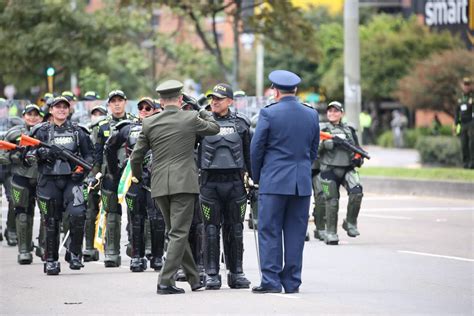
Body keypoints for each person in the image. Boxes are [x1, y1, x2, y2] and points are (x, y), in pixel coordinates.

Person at [130, 79, 219, 295]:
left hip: (159, 184)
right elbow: (214, 128)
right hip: (184, 184)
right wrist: (201, 110)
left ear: (160, 101)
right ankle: (165, 280)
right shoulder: (190, 118)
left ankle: (194, 279)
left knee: (174, 231)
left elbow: (136, 156)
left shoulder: (149, 122)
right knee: (179, 232)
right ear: (180, 99)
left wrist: (137, 177)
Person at [250, 70, 319, 294]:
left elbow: (256, 149)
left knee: (269, 230)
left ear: (275, 91)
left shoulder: (269, 113)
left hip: (274, 181)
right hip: (301, 183)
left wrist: (257, 176)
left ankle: (270, 282)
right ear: (296, 90)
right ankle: (291, 282)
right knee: (295, 233)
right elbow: (313, 149)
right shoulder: (311, 114)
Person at [28, 96, 94, 275]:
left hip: (73, 181)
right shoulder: (40, 131)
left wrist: (81, 169)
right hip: (48, 180)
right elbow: (26, 155)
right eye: (58, 107)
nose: (62, 110)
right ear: (51, 110)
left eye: (65, 107)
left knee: (78, 215)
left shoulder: (78, 131)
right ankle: (51, 260)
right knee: (50, 220)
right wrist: (40, 153)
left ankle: (74, 254)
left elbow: (89, 156)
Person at [198, 83, 252, 290]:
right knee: (210, 229)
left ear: (230, 101)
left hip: (235, 183)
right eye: (212, 98)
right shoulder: (201, 123)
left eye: (219, 99)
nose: (214, 102)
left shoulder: (241, 124)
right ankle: (211, 273)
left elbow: (249, 155)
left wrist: (254, 182)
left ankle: (236, 272)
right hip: (209, 183)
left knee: (235, 228)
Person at [105, 97, 165, 272]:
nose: (144, 111)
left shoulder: (162, 127)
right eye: (142, 108)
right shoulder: (128, 128)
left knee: (157, 219)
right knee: (136, 218)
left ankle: (157, 257)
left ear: (155, 110)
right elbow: (109, 148)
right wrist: (115, 172)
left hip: (156, 179)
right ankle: (137, 257)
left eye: (148, 108)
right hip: (134, 179)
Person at [95, 90, 136, 267]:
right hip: (110, 174)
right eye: (113, 101)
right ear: (109, 105)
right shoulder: (102, 126)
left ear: (125, 102)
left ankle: (137, 249)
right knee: (111, 212)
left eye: (120, 100)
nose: (117, 104)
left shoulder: (135, 123)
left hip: (132, 174)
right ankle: (112, 251)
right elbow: (96, 154)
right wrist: (95, 175)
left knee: (137, 212)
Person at [0, 104, 44, 263]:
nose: (32, 117)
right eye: (29, 114)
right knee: (23, 214)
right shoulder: (14, 133)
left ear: (40, 116)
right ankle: (24, 250)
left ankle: (45, 247)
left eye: (35, 114)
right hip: (21, 177)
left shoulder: (45, 131)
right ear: (24, 116)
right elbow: (2, 155)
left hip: (43, 178)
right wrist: (13, 156)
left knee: (48, 214)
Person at [318, 101, 365, 245]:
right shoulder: (321, 129)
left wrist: (359, 159)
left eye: (336, 111)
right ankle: (331, 232)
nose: (332, 113)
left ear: (341, 113)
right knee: (331, 200)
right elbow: (314, 150)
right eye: (330, 111)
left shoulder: (349, 129)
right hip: (328, 170)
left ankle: (350, 222)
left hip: (347, 168)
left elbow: (357, 148)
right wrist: (329, 143)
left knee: (357, 191)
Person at [83, 102, 107, 262]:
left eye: (101, 114)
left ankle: (106, 245)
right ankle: (89, 248)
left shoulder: (107, 130)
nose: (97, 117)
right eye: (95, 114)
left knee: (108, 211)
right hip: (89, 175)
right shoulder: (85, 131)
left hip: (107, 173)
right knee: (90, 212)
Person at [454, 77, 474, 169]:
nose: (466, 86)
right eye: (465, 84)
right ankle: (465, 163)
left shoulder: (472, 97)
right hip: (462, 124)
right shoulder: (459, 98)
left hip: (471, 123)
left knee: (472, 144)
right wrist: (456, 126)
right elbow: (456, 113)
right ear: (462, 86)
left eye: (468, 84)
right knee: (463, 144)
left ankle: (472, 163)